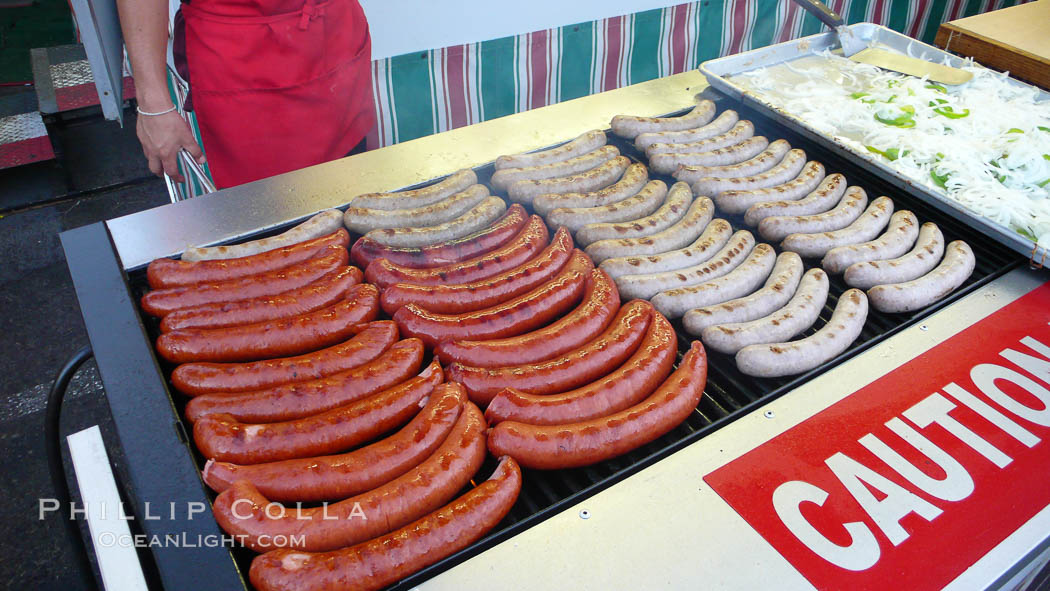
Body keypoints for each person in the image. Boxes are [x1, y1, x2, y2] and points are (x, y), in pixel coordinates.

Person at [116, 0, 375, 189]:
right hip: (243, 59)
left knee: (351, 196)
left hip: (337, 37)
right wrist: (153, 105)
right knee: (267, 218)